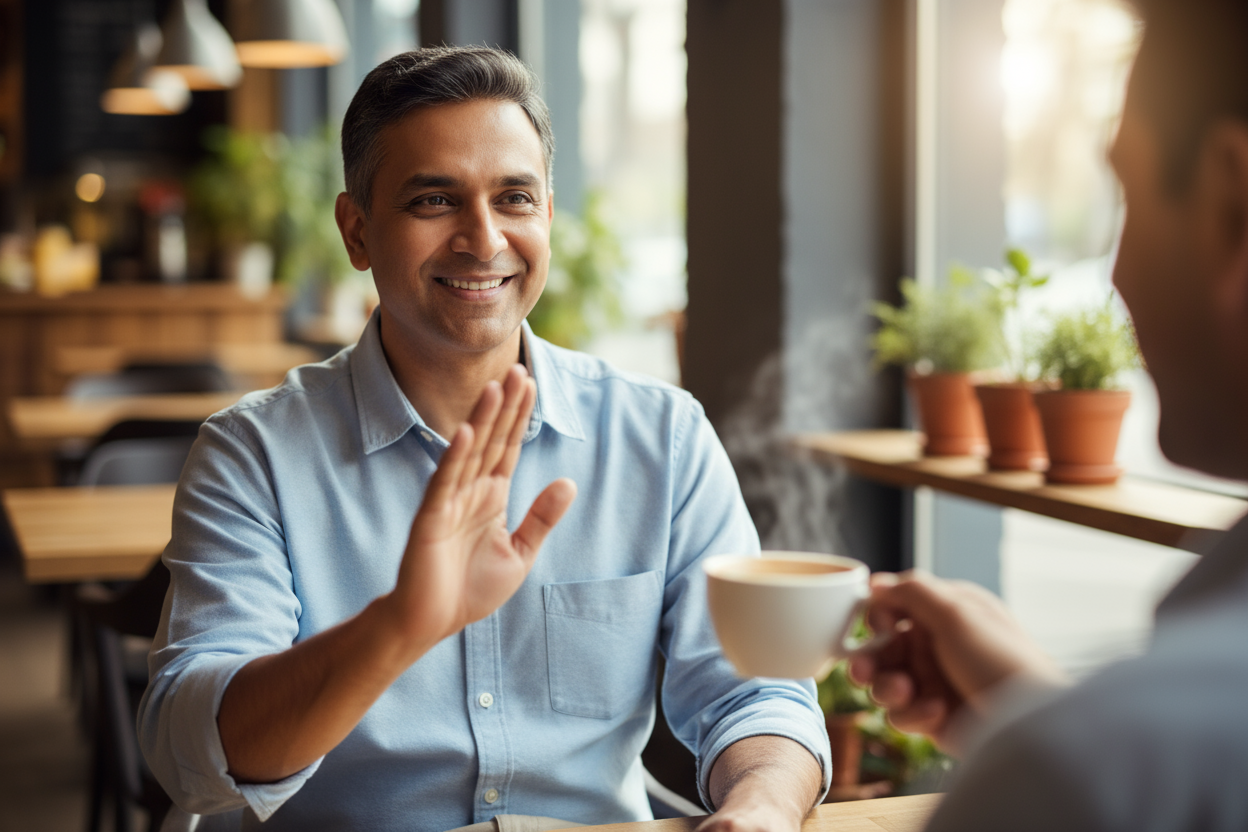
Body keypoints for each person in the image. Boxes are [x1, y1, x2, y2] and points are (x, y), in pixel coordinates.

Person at [137, 47, 829, 832]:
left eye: (514, 199)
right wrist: (399, 625)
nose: (484, 238)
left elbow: (758, 689)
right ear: (357, 230)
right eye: (434, 200)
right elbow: (190, 751)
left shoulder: (660, 437)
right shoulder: (252, 454)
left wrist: (764, 804)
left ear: (547, 217)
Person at [849, 2, 1248, 830]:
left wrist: (1054, 753)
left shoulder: (1089, 772)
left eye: (1129, 191)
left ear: (1229, 200)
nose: (1116, 281)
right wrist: (1029, 709)